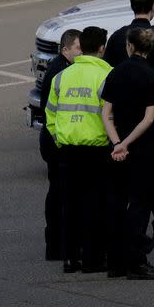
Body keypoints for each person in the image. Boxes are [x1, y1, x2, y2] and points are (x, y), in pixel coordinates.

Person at [105, 0, 154, 242]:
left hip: (122, 114)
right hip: (150, 113)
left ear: (131, 5)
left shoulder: (116, 37)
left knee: (123, 176)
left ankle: (121, 229)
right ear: (153, 7)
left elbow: (108, 77)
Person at [101, 27, 154, 280]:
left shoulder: (115, 73)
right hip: (143, 149)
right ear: (148, 48)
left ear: (129, 46)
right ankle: (136, 260)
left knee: (117, 203)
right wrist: (128, 143)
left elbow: (106, 114)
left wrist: (117, 142)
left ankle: (115, 262)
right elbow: (149, 119)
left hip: (117, 148)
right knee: (140, 204)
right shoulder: (152, 76)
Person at [45, 26, 112, 274]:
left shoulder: (61, 77)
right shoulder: (107, 76)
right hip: (96, 150)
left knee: (70, 206)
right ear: (102, 49)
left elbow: (50, 114)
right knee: (95, 206)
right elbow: (111, 115)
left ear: (81, 47)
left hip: (68, 150)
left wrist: (59, 138)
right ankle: (93, 259)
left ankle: (70, 259)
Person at [40, 29, 81, 261]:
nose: (80, 52)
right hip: (56, 141)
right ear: (65, 50)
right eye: (77, 48)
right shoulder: (61, 72)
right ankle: (58, 246)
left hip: (53, 139)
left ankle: (56, 245)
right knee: (60, 195)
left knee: (58, 193)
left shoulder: (60, 68)